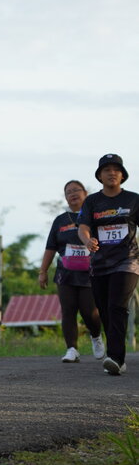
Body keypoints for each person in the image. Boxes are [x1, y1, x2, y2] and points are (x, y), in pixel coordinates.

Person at [77, 154, 139, 376]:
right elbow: (83, 227)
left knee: (117, 306)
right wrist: (87, 240)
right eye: (107, 170)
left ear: (122, 175)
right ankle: (115, 355)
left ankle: (116, 358)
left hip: (127, 261)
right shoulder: (92, 201)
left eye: (116, 169)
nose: (112, 173)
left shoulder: (133, 199)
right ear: (100, 176)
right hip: (100, 263)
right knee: (104, 310)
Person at [38, 180, 103, 363]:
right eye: (68, 192)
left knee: (90, 311)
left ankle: (96, 336)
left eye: (76, 190)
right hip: (65, 273)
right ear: (66, 198)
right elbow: (50, 247)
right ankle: (72, 349)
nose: (73, 194)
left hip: (90, 273)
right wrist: (43, 271)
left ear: (85, 193)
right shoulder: (60, 220)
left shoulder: (96, 216)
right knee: (68, 310)